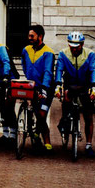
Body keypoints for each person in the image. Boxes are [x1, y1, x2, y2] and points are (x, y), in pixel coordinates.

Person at [54, 31, 95, 157]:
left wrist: (94, 86)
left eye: (77, 46)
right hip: (70, 84)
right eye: (71, 46)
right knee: (66, 101)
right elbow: (59, 70)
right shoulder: (63, 54)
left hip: (85, 85)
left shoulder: (90, 54)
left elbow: (94, 70)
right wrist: (58, 85)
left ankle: (89, 145)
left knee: (88, 116)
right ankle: (65, 122)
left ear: (82, 44)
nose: (74, 49)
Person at [20, 25, 56, 154]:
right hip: (32, 86)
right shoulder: (26, 50)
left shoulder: (48, 52)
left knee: (41, 114)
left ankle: (46, 140)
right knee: (35, 111)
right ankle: (35, 135)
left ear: (40, 36)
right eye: (29, 35)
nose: (29, 38)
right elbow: (23, 64)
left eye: (32, 36)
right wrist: (28, 77)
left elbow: (48, 71)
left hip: (46, 88)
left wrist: (44, 89)